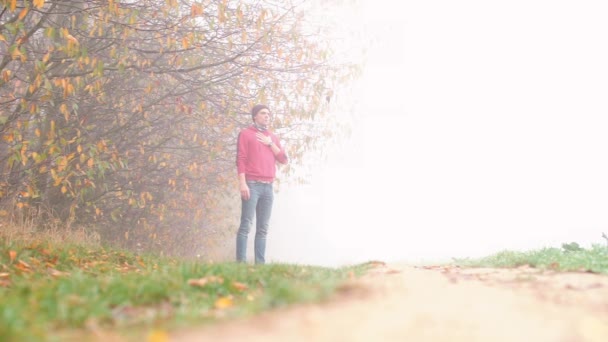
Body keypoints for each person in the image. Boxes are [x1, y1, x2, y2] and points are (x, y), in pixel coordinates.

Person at [235, 104, 288, 264]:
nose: (267, 116)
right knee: (246, 225)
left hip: (268, 187)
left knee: (263, 229)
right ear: (255, 116)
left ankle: (260, 264)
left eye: (268, 114)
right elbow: (241, 160)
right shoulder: (245, 134)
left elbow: (284, 160)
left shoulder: (272, 137)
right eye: (263, 113)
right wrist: (242, 184)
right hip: (252, 184)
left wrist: (270, 143)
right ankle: (241, 264)